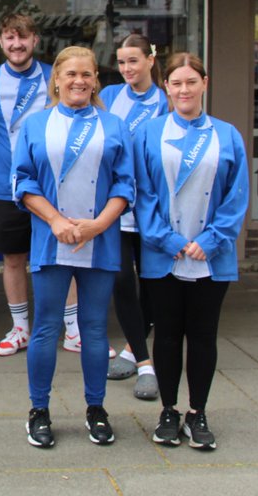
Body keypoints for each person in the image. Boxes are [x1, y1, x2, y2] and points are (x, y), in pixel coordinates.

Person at [13, 46, 133, 449]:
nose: (79, 81)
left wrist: (98, 225)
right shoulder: (36, 125)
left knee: (94, 329)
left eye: (87, 74)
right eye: (71, 74)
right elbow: (23, 182)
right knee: (46, 327)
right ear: (57, 80)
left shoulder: (115, 125)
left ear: (96, 79)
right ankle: (39, 410)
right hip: (51, 239)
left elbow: (125, 184)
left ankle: (96, 409)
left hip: (100, 242)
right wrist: (57, 221)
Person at [134, 53, 249, 452]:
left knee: (203, 337)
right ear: (166, 87)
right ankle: (168, 410)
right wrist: (168, 240)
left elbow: (236, 198)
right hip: (162, 254)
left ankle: (197, 412)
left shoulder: (228, 135)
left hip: (210, 258)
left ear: (205, 82)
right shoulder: (147, 134)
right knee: (166, 336)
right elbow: (142, 193)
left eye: (191, 82)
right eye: (176, 83)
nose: (184, 90)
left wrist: (212, 240)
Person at [0, 13, 54, 356]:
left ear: (35, 40)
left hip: (52, 187)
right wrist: (2, 163)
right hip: (6, 187)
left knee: (61, 257)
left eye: (23, 37)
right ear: (0, 42)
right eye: (9, 38)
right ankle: (20, 329)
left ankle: (73, 328)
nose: (17, 45)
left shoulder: (54, 77)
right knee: (14, 259)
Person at [99, 33, 168, 401]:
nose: (127, 68)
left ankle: (131, 350)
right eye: (122, 62)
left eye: (133, 61)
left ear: (150, 60)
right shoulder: (109, 97)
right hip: (117, 205)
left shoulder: (167, 101)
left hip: (154, 208)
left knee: (154, 285)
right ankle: (145, 364)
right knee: (122, 281)